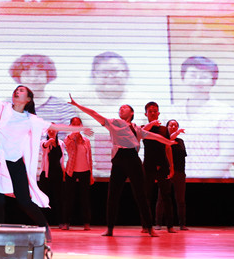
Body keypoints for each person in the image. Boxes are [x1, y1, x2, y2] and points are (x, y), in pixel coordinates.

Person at [0, 57, 92, 240]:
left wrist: (80, 128)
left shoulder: (30, 119)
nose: (17, 91)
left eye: (21, 90)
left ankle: (44, 226)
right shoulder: (2, 108)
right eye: (16, 89)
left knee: (24, 200)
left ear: (28, 99)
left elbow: (54, 126)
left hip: (15, 163)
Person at [69, 97, 177, 237]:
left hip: (133, 159)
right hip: (118, 160)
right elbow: (94, 113)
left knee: (141, 195)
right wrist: (77, 105)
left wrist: (168, 142)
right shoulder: (114, 123)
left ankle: (149, 228)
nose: (121, 108)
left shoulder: (136, 128)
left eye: (125, 107)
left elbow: (154, 136)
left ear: (132, 113)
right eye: (120, 108)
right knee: (112, 195)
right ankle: (109, 228)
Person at [172, 56, 234, 178]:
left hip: (213, 181)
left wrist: (203, 180)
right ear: (183, 77)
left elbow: (227, 153)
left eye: (204, 76)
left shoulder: (225, 112)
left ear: (213, 81)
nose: (198, 80)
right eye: (193, 75)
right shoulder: (171, 112)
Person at [89, 52, 131, 178]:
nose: (110, 76)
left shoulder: (143, 101)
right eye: (104, 72)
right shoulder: (80, 102)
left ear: (126, 73)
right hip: (92, 174)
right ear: (94, 74)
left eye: (116, 71)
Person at [9, 54, 76, 126]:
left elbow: (75, 131)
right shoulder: (8, 105)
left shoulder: (62, 106)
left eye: (39, 74)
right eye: (27, 74)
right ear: (19, 77)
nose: (33, 79)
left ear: (48, 76)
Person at [142, 101, 176, 232]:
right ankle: (146, 225)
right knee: (146, 197)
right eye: (150, 111)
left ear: (159, 113)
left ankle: (170, 226)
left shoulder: (164, 129)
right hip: (148, 165)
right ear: (146, 114)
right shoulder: (143, 128)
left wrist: (171, 166)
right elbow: (141, 134)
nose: (153, 113)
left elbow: (168, 148)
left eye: (155, 111)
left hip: (163, 165)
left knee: (166, 196)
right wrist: (151, 124)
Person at [63, 116, 94, 230]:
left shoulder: (86, 140)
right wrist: (74, 134)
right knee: (69, 198)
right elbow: (67, 145)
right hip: (71, 171)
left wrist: (91, 174)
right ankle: (66, 222)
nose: (76, 126)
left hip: (85, 171)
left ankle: (86, 222)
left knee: (85, 198)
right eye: (74, 124)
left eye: (78, 124)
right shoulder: (68, 139)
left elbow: (89, 158)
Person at [39, 128, 65, 227]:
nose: (51, 132)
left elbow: (62, 159)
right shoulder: (44, 142)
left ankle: (60, 221)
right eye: (49, 130)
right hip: (46, 174)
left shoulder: (61, 143)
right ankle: (44, 221)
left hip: (57, 173)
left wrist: (63, 171)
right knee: (45, 198)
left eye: (53, 130)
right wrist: (50, 140)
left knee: (58, 198)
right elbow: (44, 146)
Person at [166, 119, 188, 229]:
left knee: (181, 200)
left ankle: (182, 224)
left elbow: (183, 156)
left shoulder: (180, 141)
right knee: (163, 199)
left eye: (175, 125)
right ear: (167, 127)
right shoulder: (165, 139)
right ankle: (159, 223)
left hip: (180, 172)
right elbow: (168, 141)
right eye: (171, 125)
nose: (174, 127)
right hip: (167, 172)